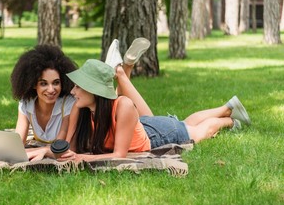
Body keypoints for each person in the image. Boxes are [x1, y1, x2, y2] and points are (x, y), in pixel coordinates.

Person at [55, 43, 251, 162]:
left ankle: (230, 120)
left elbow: (118, 155)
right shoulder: (80, 109)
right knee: (185, 123)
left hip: (157, 136)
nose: (72, 91)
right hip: (143, 126)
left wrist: (82, 157)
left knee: (197, 132)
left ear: (94, 91)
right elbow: (69, 147)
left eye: (79, 87)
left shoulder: (122, 106)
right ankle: (227, 107)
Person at [10, 44, 77, 149]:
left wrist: (39, 152)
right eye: (43, 83)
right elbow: (18, 143)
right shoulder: (26, 103)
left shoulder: (69, 103)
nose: (51, 90)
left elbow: (60, 146)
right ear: (33, 84)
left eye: (56, 83)